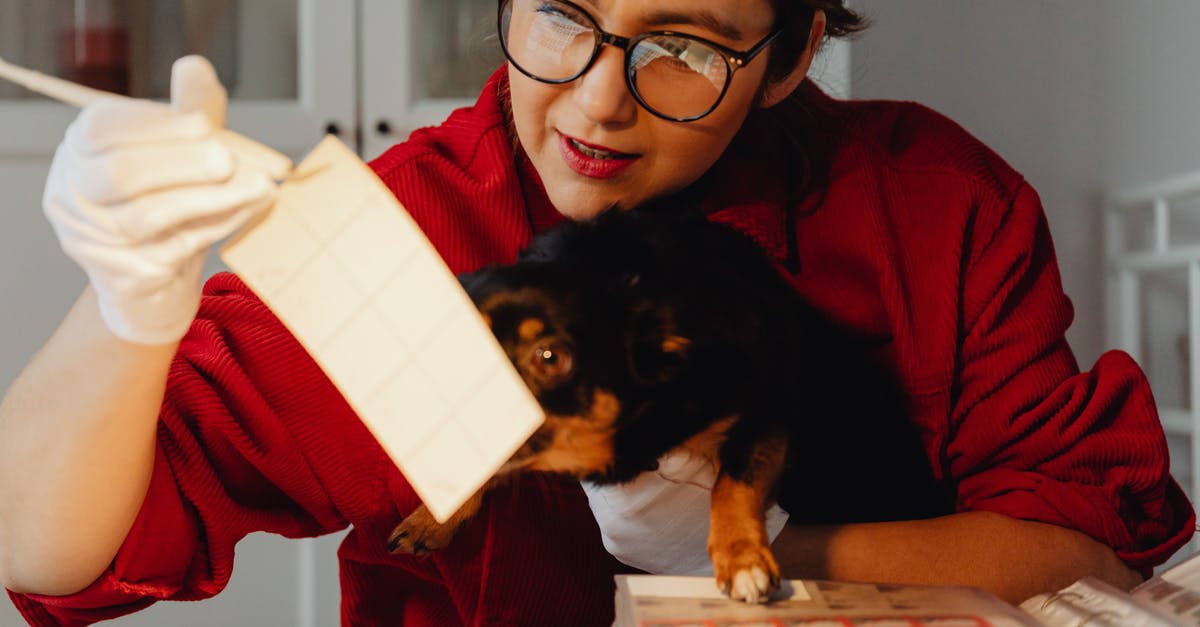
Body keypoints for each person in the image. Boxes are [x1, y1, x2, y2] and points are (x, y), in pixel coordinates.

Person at [0, 0, 1192, 624]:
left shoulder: (932, 204)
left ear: (790, 56)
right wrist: (124, 306)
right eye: (563, 13)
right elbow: (51, 555)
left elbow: (1081, 553)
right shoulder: (414, 232)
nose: (599, 101)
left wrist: (759, 555)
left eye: (685, 47)